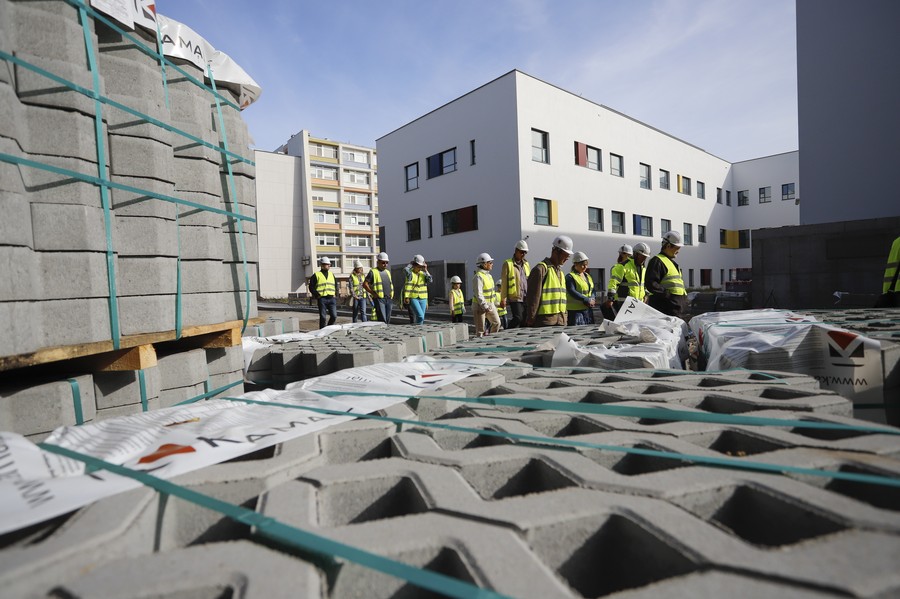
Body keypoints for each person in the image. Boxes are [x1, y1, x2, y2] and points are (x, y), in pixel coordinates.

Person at [524, 235, 573, 327]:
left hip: (561, 321)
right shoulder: (540, 269)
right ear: (556, 251)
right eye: (565, 254)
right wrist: (531, 318)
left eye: (568, 255)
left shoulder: (560, 272)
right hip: (545, 322)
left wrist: (565, 317)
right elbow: (533, 297)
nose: (567, 258)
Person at [644, 231, 688, 318]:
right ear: (668, 246)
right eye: (677, 248)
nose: (678, 251)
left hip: (676, 309)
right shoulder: (657, 261)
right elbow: (651, 284)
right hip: (666, 309)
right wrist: (668, 296)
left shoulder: (672, 263)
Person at [500, 240, 530, 328]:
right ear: (516, 251)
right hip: (515, 297)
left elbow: (529, 280)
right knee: (518, 318)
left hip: (525, 296)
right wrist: (503, 298)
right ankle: (507, 332)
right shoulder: (508, 264)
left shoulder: (526, 264)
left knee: (525, 321)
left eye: (525, 252)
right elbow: (504, 282)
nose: (523, 254)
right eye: (521, 252)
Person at [471, 253, 501, 337]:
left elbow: (492, 292)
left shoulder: (489, 276)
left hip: (490, 305)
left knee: (497, 323)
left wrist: (496, 304)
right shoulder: (478, 277)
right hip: (479, 306)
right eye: (490, 262)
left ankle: (491, 339)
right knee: (480, 331)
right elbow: (479, 294)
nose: (492, 264)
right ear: (484, 264)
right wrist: (485, 306)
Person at [566, 251, 595, 325]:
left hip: (587, 310)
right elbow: (572, 291)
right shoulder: (570, 277)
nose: (585, 267)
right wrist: (586, 299)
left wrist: (592, 298)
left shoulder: (587, 276)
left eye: (586, 265)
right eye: (582, 265)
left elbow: (592, 289)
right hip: (575, 312)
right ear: (575, 264)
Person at [363, 252, 393, 324]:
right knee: (382, 319)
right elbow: (365, 284)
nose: (385, 264)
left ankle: (386, 332)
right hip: (379, 299)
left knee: (388, 319)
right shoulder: (373, 272)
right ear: (378, 262)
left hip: (388, 298)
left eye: (387, 262)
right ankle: (383, 333)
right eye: (383, 262)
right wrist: (373, 293)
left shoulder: (388, 272)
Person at [403, 254, 432, 325]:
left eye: (421, 267)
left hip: (423, 298)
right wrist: (406, 297)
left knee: (421, 318)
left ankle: (418, 331)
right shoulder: (410, 274)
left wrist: (426, 270)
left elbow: (430, 280)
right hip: (413, 297)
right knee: (420, 316)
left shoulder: (423, 274)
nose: (419, 268)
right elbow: (405, 269)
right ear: (414, 265)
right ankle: (416, 329)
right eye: (418, 266)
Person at [309, 256, 337, 329]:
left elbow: (335, 285)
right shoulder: (316, 275)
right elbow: (311, 287)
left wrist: (335, 294)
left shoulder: (331, 274)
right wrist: (317, 295)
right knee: (323, 317)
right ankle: (322, 331)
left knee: (334, 316)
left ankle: (328, 328)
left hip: (332, 298)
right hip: (322, 299)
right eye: (327, 264)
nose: (328, 266)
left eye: (329, 264)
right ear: (322, 265)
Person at [606, 244, 633, 314]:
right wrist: (611, 298)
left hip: (623, 301)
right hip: (623, 300)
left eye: (621, 254)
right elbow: (613, 284)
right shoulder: (619, 267)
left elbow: (613, 283)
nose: (620, 255)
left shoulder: (619, 267)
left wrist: (610, 299)